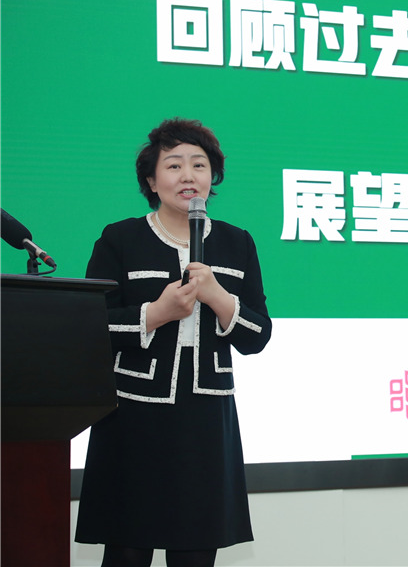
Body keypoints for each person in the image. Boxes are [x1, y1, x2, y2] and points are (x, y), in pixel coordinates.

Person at [75, 118, 272, 567]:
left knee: (196, 552)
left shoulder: (237, 243)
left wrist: (220, 298)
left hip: (206, 420)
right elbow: (90, 326)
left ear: (212, 177)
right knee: (127, 549)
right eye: (174, 165)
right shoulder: (120, 238)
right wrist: (155, 314)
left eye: (199, 165)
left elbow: (258, 336)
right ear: (151, 180)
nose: (188, 176)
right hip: (133, 415)